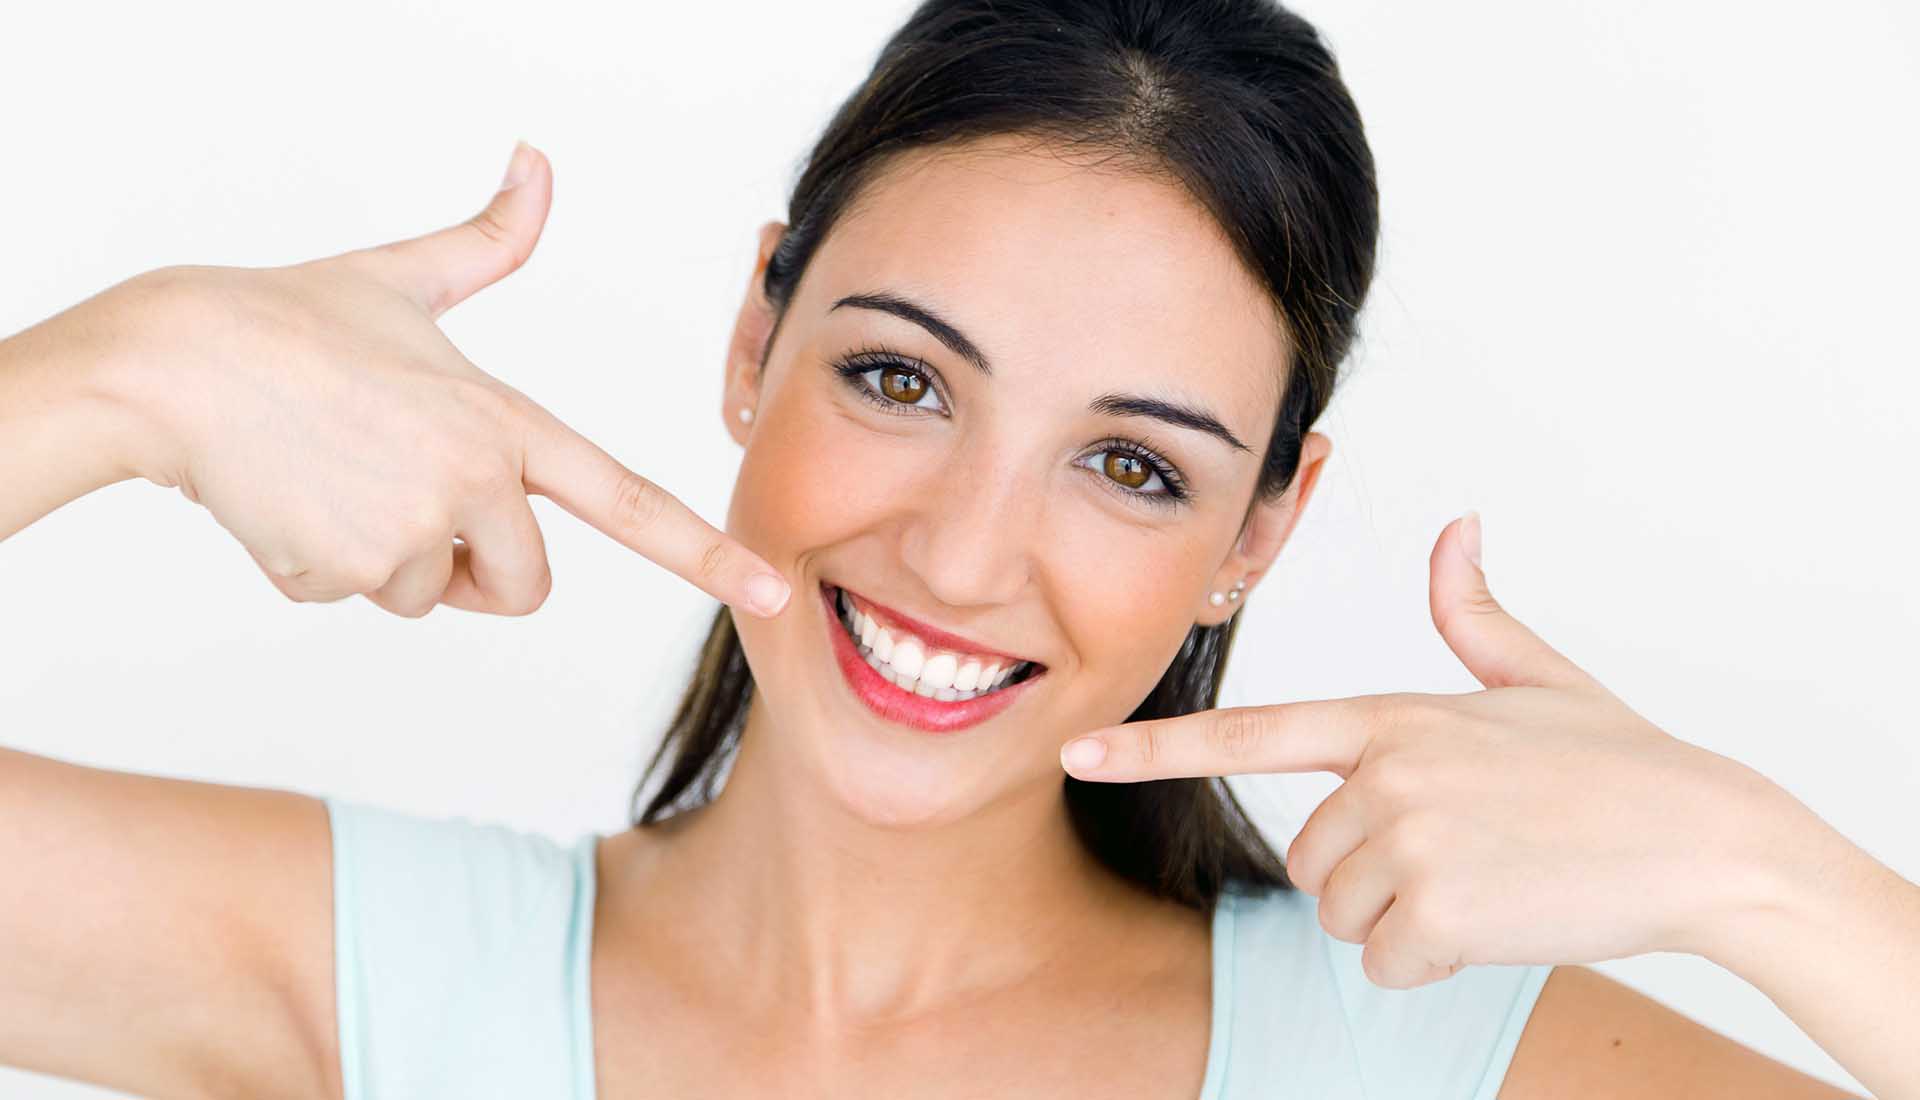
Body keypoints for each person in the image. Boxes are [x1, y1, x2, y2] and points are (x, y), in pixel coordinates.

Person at [1, 1, 1913, 1097]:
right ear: (758, 337)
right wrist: (121, 377)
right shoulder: (391, 977)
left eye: (1135, 471)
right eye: (904, 381)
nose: (968, 553)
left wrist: (1773, 882)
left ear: (1266, 528)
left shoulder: (1431, 1064)